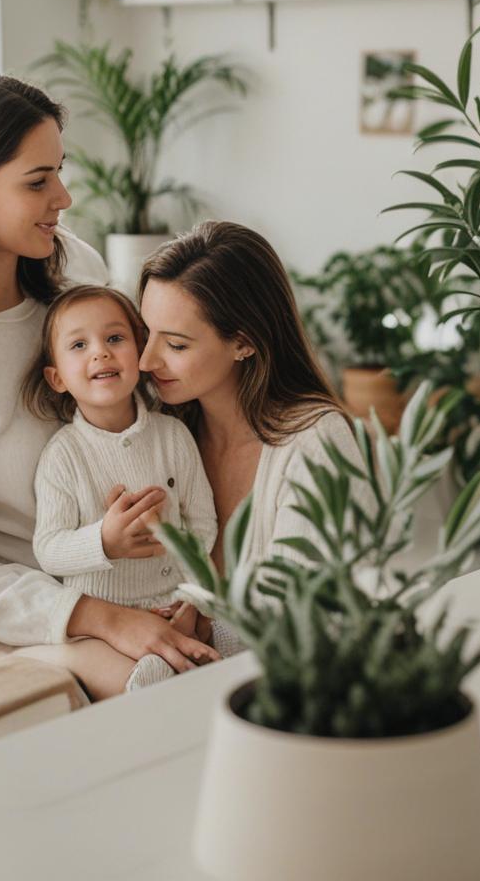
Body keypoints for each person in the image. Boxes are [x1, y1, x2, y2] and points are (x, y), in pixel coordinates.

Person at [0, 70, 218, 702]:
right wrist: (105, 621)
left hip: (129, 585)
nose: (62, 197)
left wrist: (181, 590)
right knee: (166, 687)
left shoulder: (76, 271)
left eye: (58, 170)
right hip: (4, 617)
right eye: (37, 181)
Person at [137, 220, 362, 649]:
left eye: (176, 345)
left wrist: (205, 626)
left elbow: (308, 614)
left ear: (243, 342)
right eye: (146, 333)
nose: (147, 360)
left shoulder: (317, 443)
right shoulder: (157, 431)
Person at [25, 283, 218, 691]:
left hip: (174, 602)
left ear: (140, 352)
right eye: (79, 345)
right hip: (107, 625)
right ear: (57, 377)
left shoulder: (173, 436)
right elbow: (48, 548)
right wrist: (104, 541)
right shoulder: (63, 456)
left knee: (237, 641)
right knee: (154, 675)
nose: (100, 352)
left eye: (115, 338)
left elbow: (201, 525)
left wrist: (194, 600)